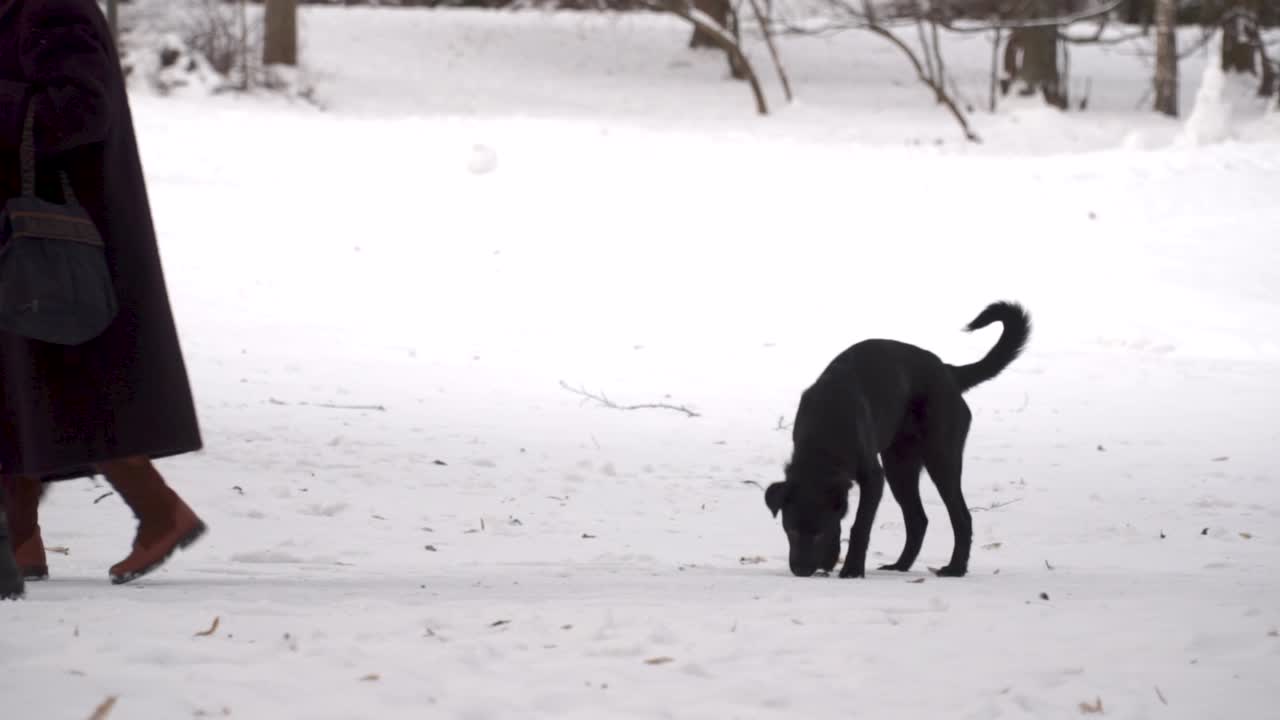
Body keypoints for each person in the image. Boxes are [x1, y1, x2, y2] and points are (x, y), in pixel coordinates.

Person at [0, 0, 207, 585]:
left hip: (59, 232)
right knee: (26, 385)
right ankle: (23, 541)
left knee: (57, 382)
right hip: (32, 228)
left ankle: (158, 511)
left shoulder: (52, 7)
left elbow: (84, 109)